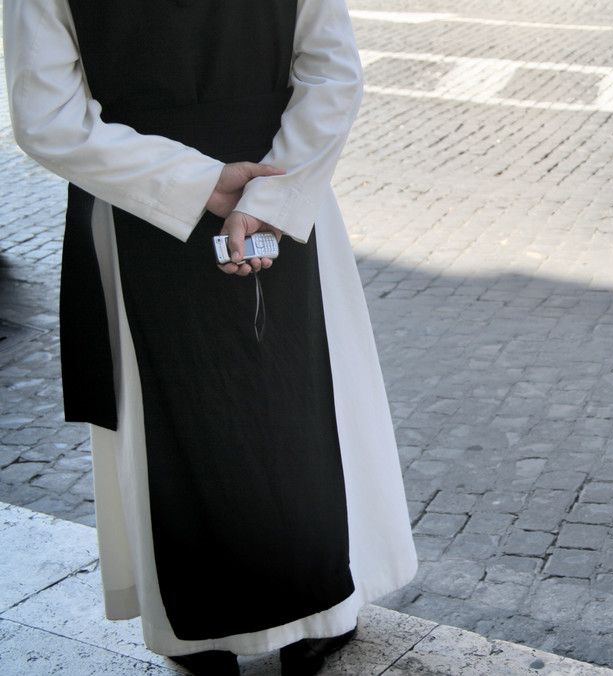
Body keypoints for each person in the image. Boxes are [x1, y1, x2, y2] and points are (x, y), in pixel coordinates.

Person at [3, 0, 418, 674]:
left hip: (139, 198)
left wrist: (204, 188)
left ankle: (200, 631)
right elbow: (331, 71)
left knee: (175, 419)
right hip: (279, 188)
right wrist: (268, 200)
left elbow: (49, 119)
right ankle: (320, 615)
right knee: (303, 403)